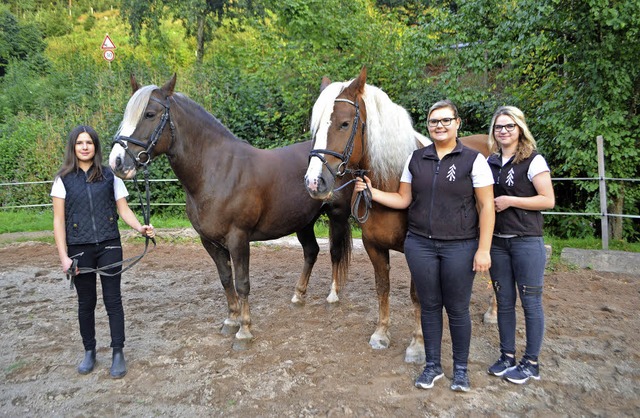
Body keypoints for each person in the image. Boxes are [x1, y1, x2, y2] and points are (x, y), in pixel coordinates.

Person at [355, 100, 495, 392]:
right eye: (434, 121)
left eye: (445, 120)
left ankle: (460, 369)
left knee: (457, 309)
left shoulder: (473, 160)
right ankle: (432, 366)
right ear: (428, 126)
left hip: (459, 244)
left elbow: (486, 206)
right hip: (421, 245)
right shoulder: (415, 159)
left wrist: (483, 248)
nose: (439, 126)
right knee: (429, 306)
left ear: (458, 123)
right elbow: (403, 200)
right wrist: (373, 191)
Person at [51, 125, 155, 378]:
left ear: (95, 146)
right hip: (79, 248)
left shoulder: (111, 176)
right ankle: (90, 351)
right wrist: (64, 257)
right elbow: (58, 220)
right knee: (86, 303)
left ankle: (118, 351)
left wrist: (140, 227)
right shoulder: (62, 179)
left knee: (113, 300)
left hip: (109, 244)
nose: (84, 147)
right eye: (79, 143)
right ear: (73, 147)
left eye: (89, 142)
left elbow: (123, 210)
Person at [485, 106, 555, 384]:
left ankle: (532, 362)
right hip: (498, 244)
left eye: (509, 126)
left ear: (520, 129)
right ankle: (507, 355)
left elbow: (547, 200)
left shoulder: (534, 161)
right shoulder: (490, 162)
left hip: (526, 242)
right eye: (499, 127)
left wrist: (511, 201)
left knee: (530, 302)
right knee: (503, 301)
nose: (503, 131)